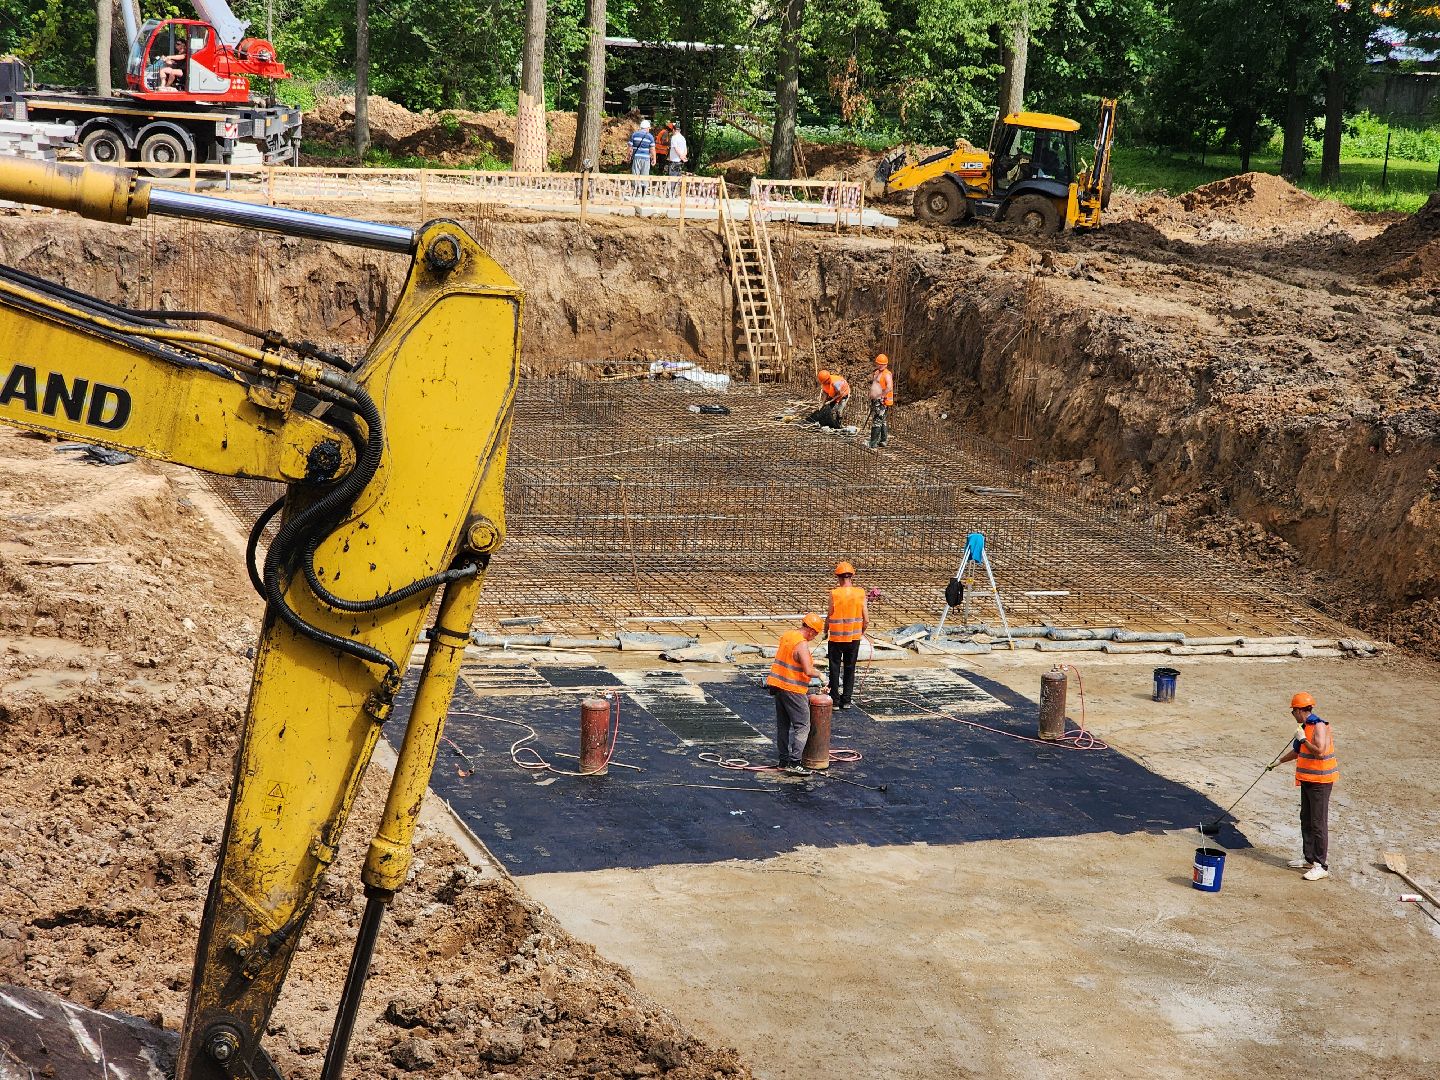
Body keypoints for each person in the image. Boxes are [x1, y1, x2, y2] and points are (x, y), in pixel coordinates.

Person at [1269, 691, 1337, 881]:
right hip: (1307, 780)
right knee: (1306, 819)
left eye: (1293, 711)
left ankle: (1321, 865)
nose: (1293, 715)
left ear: (1300, 710)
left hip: (1320, 782)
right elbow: (1298, 752)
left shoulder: (1319, 726)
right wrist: (1278, 762)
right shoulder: (1304, 727)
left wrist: (1303, 739)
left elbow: (1320, 752)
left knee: (1318, 823)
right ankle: (1309, 858)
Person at [767, 613, 823, 775]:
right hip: (793, 689)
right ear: (811, 631)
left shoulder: (788, 636)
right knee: (803, 726)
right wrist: (820, 674)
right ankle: (795, 762)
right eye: (815, 635)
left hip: (778, 686)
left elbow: (790, 661)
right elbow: (808, 670)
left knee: (783, 725)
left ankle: (783, 760)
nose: (814, 638)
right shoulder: (802, 644)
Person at [826, 561, 868, 710]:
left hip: (836, 638)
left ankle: (834, 701)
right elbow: (866, 619)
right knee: (850, 668)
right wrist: (861, 632)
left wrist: (825, 630)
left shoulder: (834, 593)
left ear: (838, 577)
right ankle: (846, 700)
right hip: (854, 638)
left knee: (834, 669)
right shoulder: (860, 593)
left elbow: (829, 615)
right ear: (852, 576)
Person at [868, 354, 894, 449]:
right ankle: (883, 441)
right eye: (879, 364)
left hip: (882, 401)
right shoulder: (877, 373)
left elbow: (889, 387)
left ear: (886, 365)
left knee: (877, 420)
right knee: (882, 420)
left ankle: (873, 443)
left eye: (882, 364)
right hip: (877, 400)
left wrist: (881, 396)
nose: (880, 365)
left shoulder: (887, 374)